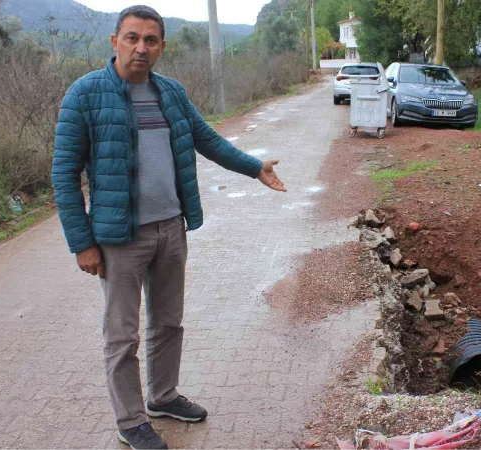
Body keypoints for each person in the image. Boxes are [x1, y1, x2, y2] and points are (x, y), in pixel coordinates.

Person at [51, 5, 286, 450]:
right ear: (115, 41)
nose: (141, 47)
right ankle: (130, 420)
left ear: (161, 46)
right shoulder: (84, 94)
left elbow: (208, 139)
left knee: (169, 322)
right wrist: (82, 242)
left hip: (170, 230)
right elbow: (64, 175)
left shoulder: (171, 93)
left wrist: (255, 167)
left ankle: (162, 396)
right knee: (121, 335)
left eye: (151, 40)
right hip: (118, 238)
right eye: (132, 37)